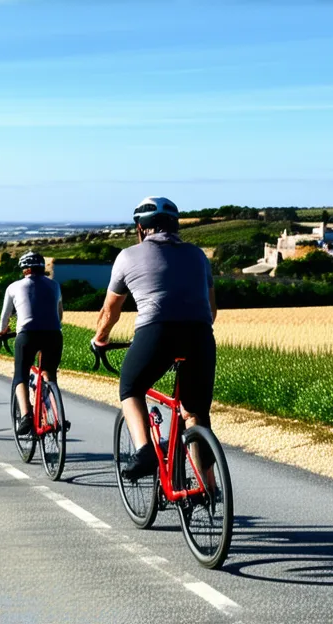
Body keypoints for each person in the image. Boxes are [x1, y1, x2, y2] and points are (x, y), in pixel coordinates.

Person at [91, 197, 217, 481]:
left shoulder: (127, 257)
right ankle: (207, 487)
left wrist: (100, 339)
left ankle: (145, 450)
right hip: (200, 335)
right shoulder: (198, 255)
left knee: (131, 388)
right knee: (194, 413)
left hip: (156, 331)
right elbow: (212, 311)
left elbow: (110, 311)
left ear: (140, 227)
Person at [0, 251, 66, 436]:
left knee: (21, 375)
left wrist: (2, 331)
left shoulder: (13, 287)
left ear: (24, 269)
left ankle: (26, 415)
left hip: (27, 335)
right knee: (49, 374)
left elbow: (4, 318)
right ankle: (56, 415)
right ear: (42, 268)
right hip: (53, 334)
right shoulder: (55, 285)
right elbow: (59, 315)